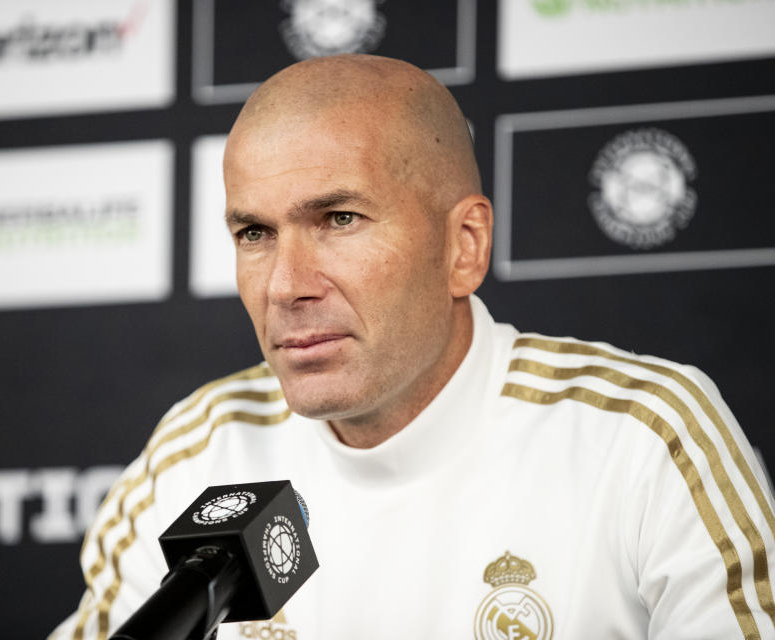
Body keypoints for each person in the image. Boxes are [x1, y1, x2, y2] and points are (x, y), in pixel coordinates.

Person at [50, 55, 775, 640]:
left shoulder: (645, 439)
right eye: (255, 234)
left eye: (339, 218)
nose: (286, 286)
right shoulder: (195, 454)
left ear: (464, 247)